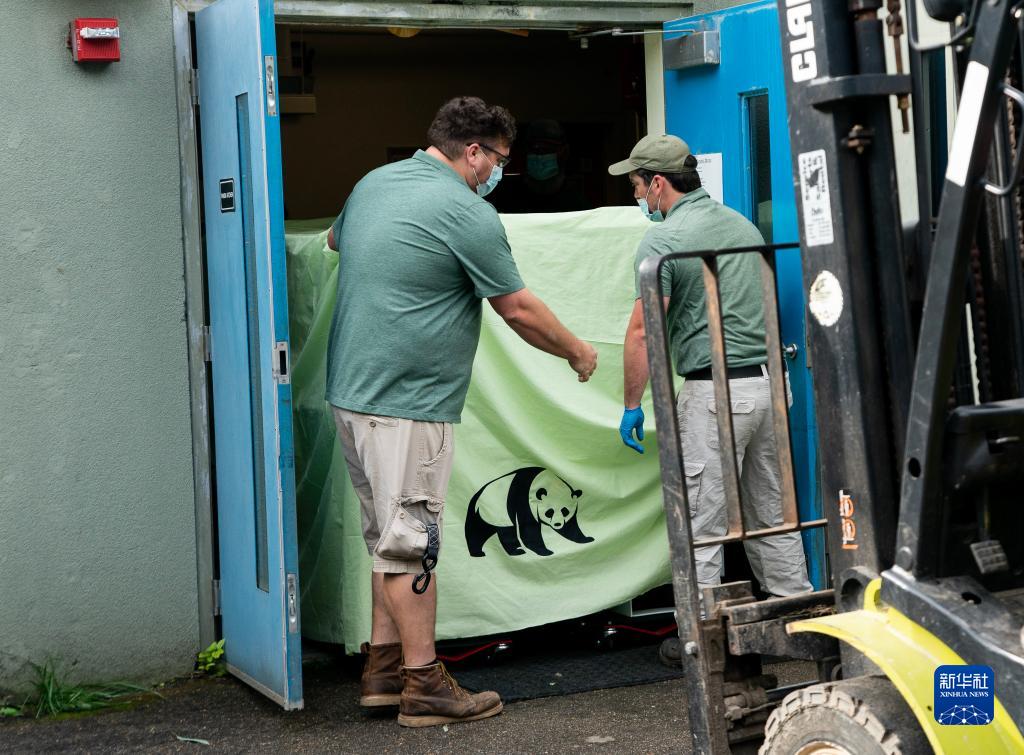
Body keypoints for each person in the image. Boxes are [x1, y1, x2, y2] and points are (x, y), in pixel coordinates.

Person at [325, 96, 598, 728]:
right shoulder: (464, 210)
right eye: (499, 159)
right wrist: (579, 352)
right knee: (412, 544)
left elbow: (338, 241)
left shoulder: (374, 183)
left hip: (353, 395)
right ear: (472, 151)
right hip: (407, 405)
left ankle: (383, 670)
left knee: (384, 540)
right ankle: (424, 686)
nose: (500, 171)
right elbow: (519, 310)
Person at [609, 134, 812, 627]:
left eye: (637, 185)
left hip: (716, 393)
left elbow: (642, 331)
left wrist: (631, 403)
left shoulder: (665, 239)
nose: (636, 196)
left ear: (658, 183)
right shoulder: (740, 223)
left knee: (702, 526)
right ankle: (799, 619)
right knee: (775, 515)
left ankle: (702, 641)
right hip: (770, 388)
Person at [491, 119, 589, 213]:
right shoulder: (508, 196)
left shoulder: (575, 202)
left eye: (548, 149)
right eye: (534, 149)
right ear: (525, 152)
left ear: (564, 152)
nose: (540, 155)